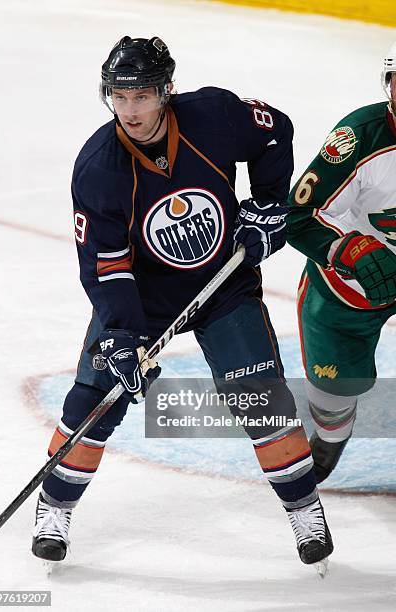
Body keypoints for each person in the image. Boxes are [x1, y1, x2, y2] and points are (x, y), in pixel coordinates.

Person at [31, 35, 333, 568]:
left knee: (261, 398)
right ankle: (54, 509)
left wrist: (266, 204)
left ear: (166, 91)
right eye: (119, 98)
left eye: (141, 96)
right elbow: (107, 266)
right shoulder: (99, 169)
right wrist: (122, 336)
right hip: (144, 299)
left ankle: (305, 510)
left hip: (222, 281)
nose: (130, 110)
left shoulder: (212, 115)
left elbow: (274, 132)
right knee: (92, 400)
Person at [287, 42, 396, 483]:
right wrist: (351, 249)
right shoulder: (360, 138)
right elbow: (299, 215)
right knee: (334, 391)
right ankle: (332, 435)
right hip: (354, 285)